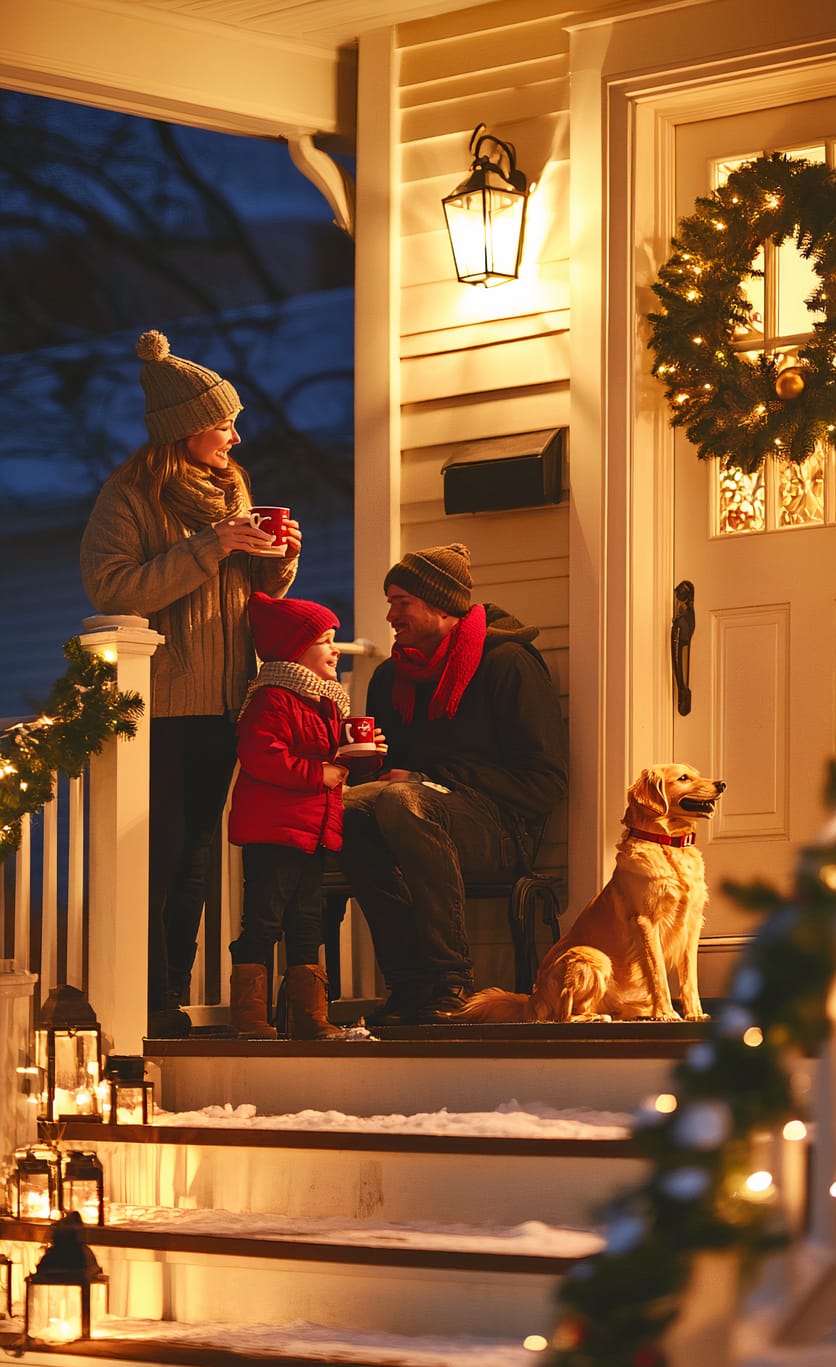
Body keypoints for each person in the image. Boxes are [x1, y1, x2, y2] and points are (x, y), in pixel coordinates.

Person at [80, 330, 299, 1038]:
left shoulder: (230, 489)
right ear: (184, 431)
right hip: (160, 704)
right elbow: (113, 587)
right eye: (223, 424)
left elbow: (247, 589)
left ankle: (172, 989)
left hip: (225, 699)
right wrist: (211, 546)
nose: (236, 437)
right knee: (161, 851)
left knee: (199, 853)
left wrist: (278, 559)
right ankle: (144, 999)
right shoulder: (129, 496)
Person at [338, 542, 569, 1025]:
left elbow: (545, 782)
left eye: (401, 602)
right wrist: (361, 767)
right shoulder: (389, 677)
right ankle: (408, 984)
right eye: (389, 602)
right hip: (413, 814)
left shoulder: (508, 663)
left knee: (404, 801)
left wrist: (428, 780)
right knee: (348, 812)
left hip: (501, 828)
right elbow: (391, 774)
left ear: (440, 604)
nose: (390, 615)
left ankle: (450, 984)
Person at [227, 592, 378, 1040]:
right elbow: (262, 755)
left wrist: (358, 754)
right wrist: (320, 772)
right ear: (295, 650)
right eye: (326, 640)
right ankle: (250, 1017)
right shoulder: (272, 698)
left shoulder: (327, 703)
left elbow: (330, 761)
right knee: (264, 918)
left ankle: (308, 1016)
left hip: (313, 830)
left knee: (307, 919)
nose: (335, 649)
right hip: (274, 831)